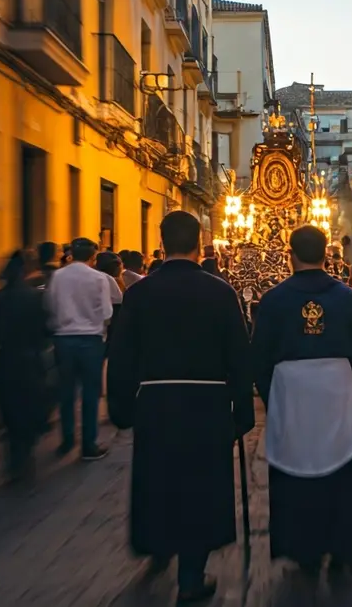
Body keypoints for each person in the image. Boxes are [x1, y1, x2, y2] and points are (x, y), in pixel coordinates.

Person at [108, 211, 254, 603]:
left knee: (158, 478)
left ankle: (157, 545)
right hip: (207, 405)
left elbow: (120, 356)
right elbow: (239, 356)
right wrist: (243, 411)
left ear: (162, 241)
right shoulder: (220, 292)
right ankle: (191, 574)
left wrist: (121, 408)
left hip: (155, 404)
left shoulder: (139, 294)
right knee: (200, 488)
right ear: (198, 242)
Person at [251, 225, 352, 573]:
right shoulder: (348, 298)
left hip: (291, 392)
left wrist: (272, 392)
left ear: (290, 255)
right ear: (326, 254)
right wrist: (346, 383)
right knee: (342, 465)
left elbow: (260, 354)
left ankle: (301, 547)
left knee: (294, 468)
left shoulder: (273, 300)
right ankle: (343, 546)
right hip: (337, 391)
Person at [0, 249, 53, 485]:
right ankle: (25, 454)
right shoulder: (35, 298)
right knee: (30, 406)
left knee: (10, 411)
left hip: (5, 361)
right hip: (30, 360)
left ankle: (14, 459)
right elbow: (45, 330)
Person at [45, 237, 113, 462]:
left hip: (63, 339)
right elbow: (107, 312)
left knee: (66, 391)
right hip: (91, 340)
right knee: (90, 393)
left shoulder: (58, 276)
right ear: (93, 257)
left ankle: (66, 439)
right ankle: (88, 444)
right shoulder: (99, 278)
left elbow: (50, 305)